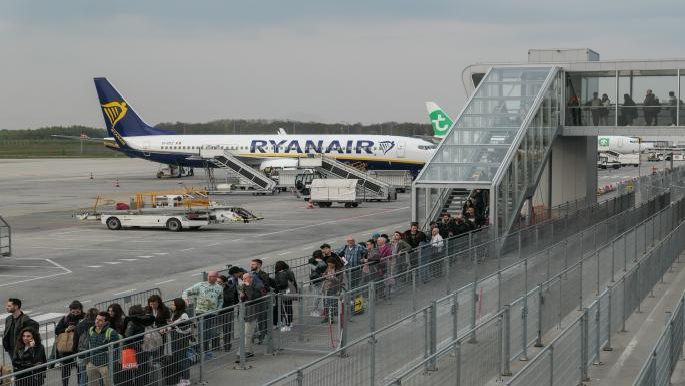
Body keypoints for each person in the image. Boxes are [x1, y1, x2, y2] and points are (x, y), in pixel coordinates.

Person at [182, 271, 223, 353]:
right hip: (201, 312)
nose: (209, 278)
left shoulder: (219, 287)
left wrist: (218, 310)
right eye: (208, 276)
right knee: (203, 332)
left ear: (216, 277)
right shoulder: (200, 285)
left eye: (212, 276)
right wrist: (185, 299)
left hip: (213, 312)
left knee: (212, 332)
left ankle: (207, 348)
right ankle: (204, 350)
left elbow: (221, 300)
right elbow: (186, 291)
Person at [121, 305, 154, 386]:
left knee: (137, 372)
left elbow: (127, 337)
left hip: (136, 349)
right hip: (146, 347)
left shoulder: (132, 323)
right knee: (145, 369)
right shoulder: (146, 320)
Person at [86, 312, 121, 386]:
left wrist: (110, 365)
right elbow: (88, 346)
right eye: (96, 319)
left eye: (100, 320)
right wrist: (88, 361)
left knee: (108, 384)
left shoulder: (111, 332)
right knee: (92, 384)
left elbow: (115, 350)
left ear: (106, 322)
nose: (97, 321)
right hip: (92, 363)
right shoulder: (91, 329)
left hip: (105, 365)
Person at [55, 300, 84, 386]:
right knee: (66, 368)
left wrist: (77, 329)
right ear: (70, 310)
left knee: (81, 368)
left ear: (81, 309)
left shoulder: (85, 318)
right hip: (67, 348)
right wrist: (66, 330)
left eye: (77, 311)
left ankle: (81, 384)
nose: (75, 313)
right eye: (73, 311)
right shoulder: (66, 319)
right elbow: (57, 331)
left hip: (80, 347)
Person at [235, 273, 261, 363]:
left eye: (246, 278)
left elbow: (251, 297)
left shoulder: (256, 287)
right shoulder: (242, 286)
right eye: (243, 279)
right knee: (245, 333)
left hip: (251, 313)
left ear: (251, 278)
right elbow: (241, 299)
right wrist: (241, 294)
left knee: (247, 334)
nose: (244, 280)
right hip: (243, 313)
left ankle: (240, 353)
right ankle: (249, 351)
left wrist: (248, 286)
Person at [166, 299, 192, 386]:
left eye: (173, 304)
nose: (171, 306)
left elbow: (186, 328)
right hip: (175, 338)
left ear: (178, 305)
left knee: (183, 359)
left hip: (181, 339)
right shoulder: (175, 314)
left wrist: (173, 324)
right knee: (178, 358)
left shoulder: (184, 315)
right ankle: (182, 377)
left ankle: (186, 379)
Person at [74, 308, 98, 386]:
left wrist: (75, 352)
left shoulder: (79, 325)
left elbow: (75, 340)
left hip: (82, 353)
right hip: (94, 353)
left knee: (83, 375)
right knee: (96, 375)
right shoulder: (96, 324)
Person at [273, 261, 297, 331]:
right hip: (289, 292)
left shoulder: (281, 273)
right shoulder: (289, 272)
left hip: (282, 293)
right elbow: (293, 281)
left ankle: (287, 324)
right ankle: (290, 322)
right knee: (288, 307)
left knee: (283, 309)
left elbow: (283, 284)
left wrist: (276, 286)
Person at [145, 295, 170, 360]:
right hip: (150, 333)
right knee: (151, 350)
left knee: (160, 349)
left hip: (160, 332)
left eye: (154, 304)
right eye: (151, 304)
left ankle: (159, 362)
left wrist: (165, 328)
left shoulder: (165, 310)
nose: (152, 306)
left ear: (159, 303)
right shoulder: (147, 309)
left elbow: (168, 322)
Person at [217, 274, 238, 352]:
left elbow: (229, 299)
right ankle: (216, 346)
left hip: (227, 311)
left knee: (227, 329)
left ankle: (226, 346)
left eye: (219, 282)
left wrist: (220, 291)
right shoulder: (215, 288)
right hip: (217, 312)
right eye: (217, 282)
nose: (217, 283)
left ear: (225, 282)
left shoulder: (230, 288)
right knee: (216, 330)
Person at [308, 250, 328, 316]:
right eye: (322, 253)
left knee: (321, 294)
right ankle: (314, 310)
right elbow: (315, 269)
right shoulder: (315, 261)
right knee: (318, 295)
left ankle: (322, 309)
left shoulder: (319, 260)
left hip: (322, 279)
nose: (324, 253)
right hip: (317, 280)